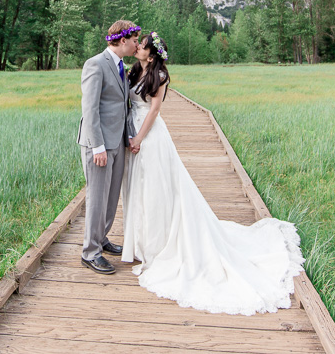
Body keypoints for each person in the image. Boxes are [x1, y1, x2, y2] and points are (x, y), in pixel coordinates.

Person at [121, 32, 305, 315]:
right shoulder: (135, 70)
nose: (137, 48)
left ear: (152, 52)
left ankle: (159, 246)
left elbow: (154, 111)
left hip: (150, 137)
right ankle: (141, 242)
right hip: (132, 129)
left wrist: (139, 139)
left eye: (142, 46)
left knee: (157, 188)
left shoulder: (160, 77)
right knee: (139, 188)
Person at [76, 20, 140, 274]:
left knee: (112, 197)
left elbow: (123, 106)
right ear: (122, 40)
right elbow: (89, 109)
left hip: (118, 141)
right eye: (135, 40)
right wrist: (98, 147)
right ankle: (90, 252)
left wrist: (130, 137)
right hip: (99, 143)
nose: (137, 44)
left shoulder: (121, 66)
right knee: (97, 198)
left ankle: (101, 238)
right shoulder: (95, 64)